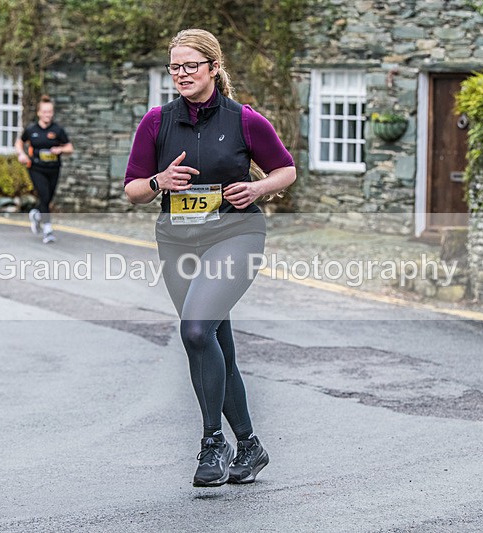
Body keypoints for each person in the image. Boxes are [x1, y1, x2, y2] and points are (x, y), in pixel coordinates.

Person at [124, 28, 296, 487]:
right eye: (174, 67)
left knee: (196, 329)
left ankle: (211, 442)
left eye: (190, 66)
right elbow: (133, 190)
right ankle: (251, 445)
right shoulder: (157, 122)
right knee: (213, 343)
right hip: (178, 241)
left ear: (214, 69)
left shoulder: (245, 121)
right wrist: (161, 181)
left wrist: (257, 187)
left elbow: (286, 169)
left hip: (235, 234)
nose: (181, 74)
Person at [15, 95, 73, 244]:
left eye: (50, 112)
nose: (47, 115)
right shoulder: (31, 129)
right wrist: (21, 154)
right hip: (36, 167)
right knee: (44, 195)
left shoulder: (58, 130)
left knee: (47, 198)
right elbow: (19, 142)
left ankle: (37, 216)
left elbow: (69, 147)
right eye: (45, 112)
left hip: (53, 168)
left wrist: (60, 150)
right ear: (39, 113)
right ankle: (48, 230)